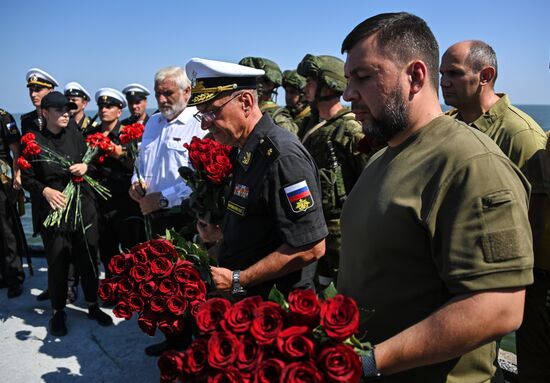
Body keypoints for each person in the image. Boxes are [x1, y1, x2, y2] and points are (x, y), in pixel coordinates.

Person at [338, 12, 533, 382]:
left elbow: (499, 308)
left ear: (414, 76)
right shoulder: (383, 157)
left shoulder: (472, 164)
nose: (349, 94)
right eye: (349, 80)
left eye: (363, 77)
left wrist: (368, 362)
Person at [440, 40, 550, 382]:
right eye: (442, 73)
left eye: (454, 74)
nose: (443, 82)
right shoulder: (447, 126)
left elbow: (534, 219)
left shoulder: (521, 136)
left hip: (511, 278)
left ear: (485, 76)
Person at [185, 57, 327, 300]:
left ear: (246, 102)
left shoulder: (281, 157)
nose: (205, 126)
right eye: (202, 116)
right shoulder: (244, 149)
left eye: (212, 112)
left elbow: (311, 246)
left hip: (275, 305)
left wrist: (238, 280)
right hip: (249, 297)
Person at [128, 66, 205, 357]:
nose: (161, 99)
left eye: (168, 93)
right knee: (161, 284)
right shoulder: (153, 123)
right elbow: (143, 165)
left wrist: (163, 200)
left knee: (188, 283)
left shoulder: (198, 124)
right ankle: (174, 341)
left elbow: (201, 178)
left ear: (187, 92)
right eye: (158, 93)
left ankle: (196, 343)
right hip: (152, 217)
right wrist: (135, 185)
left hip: (183, 218)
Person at [21, 92, 113, 336]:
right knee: (58, 263)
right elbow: (27, 179)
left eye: (67, 110)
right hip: (55, 210)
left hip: (83, 208)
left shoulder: (76, 136)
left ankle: (92, 305)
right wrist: (45, 191)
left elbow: (93, 165)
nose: (65, 114)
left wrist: (86, 166)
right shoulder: (34, 142)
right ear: (45, 112)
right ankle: (58, 311)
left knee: (89, 258)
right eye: (59, 110)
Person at [296, 54, 368, 289]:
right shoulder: (310, 125)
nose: (305, 87)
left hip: (341, 233)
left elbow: (370, 183)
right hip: (314, 227)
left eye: (311, 82)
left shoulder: (350, 130)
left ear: (328, 85)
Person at [86, 88, 145, 278]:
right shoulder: (91, 134)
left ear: (119, 111)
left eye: (109, 106)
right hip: (99, 202)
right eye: (102, 106)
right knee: (106, 248)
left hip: (124, 201)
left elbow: (137, 166)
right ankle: (113, 287)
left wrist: (117, 152)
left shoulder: (129, 134)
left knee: (130, 249)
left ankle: (131, 287)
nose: (104, 110)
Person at [22, 68, 57, 302]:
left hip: (60, 190)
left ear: (51, 90)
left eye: (39, 89)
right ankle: (55, 287)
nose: (34, 93)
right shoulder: (26, 121)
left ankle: (69, 285)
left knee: (66, 242)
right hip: (38, 189)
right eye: (32, 89)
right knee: (48, 240)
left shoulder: (60, 116)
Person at [0, 108, 27, 298]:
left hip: (1, 176)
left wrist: (17, 174)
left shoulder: (3, 117)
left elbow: (16, 149)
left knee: (5, 229)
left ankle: (14, 277)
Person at [238, 56, 299, 135]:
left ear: (270, 85)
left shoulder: (278, 118)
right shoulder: (246, 111)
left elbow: (288, 145)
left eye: (255, 80)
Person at [21, 68, 58, 134]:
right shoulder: (26, 120)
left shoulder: (61, 117)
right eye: (31, 90)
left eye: (38, 90)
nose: (33, 94)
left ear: (51, 90)